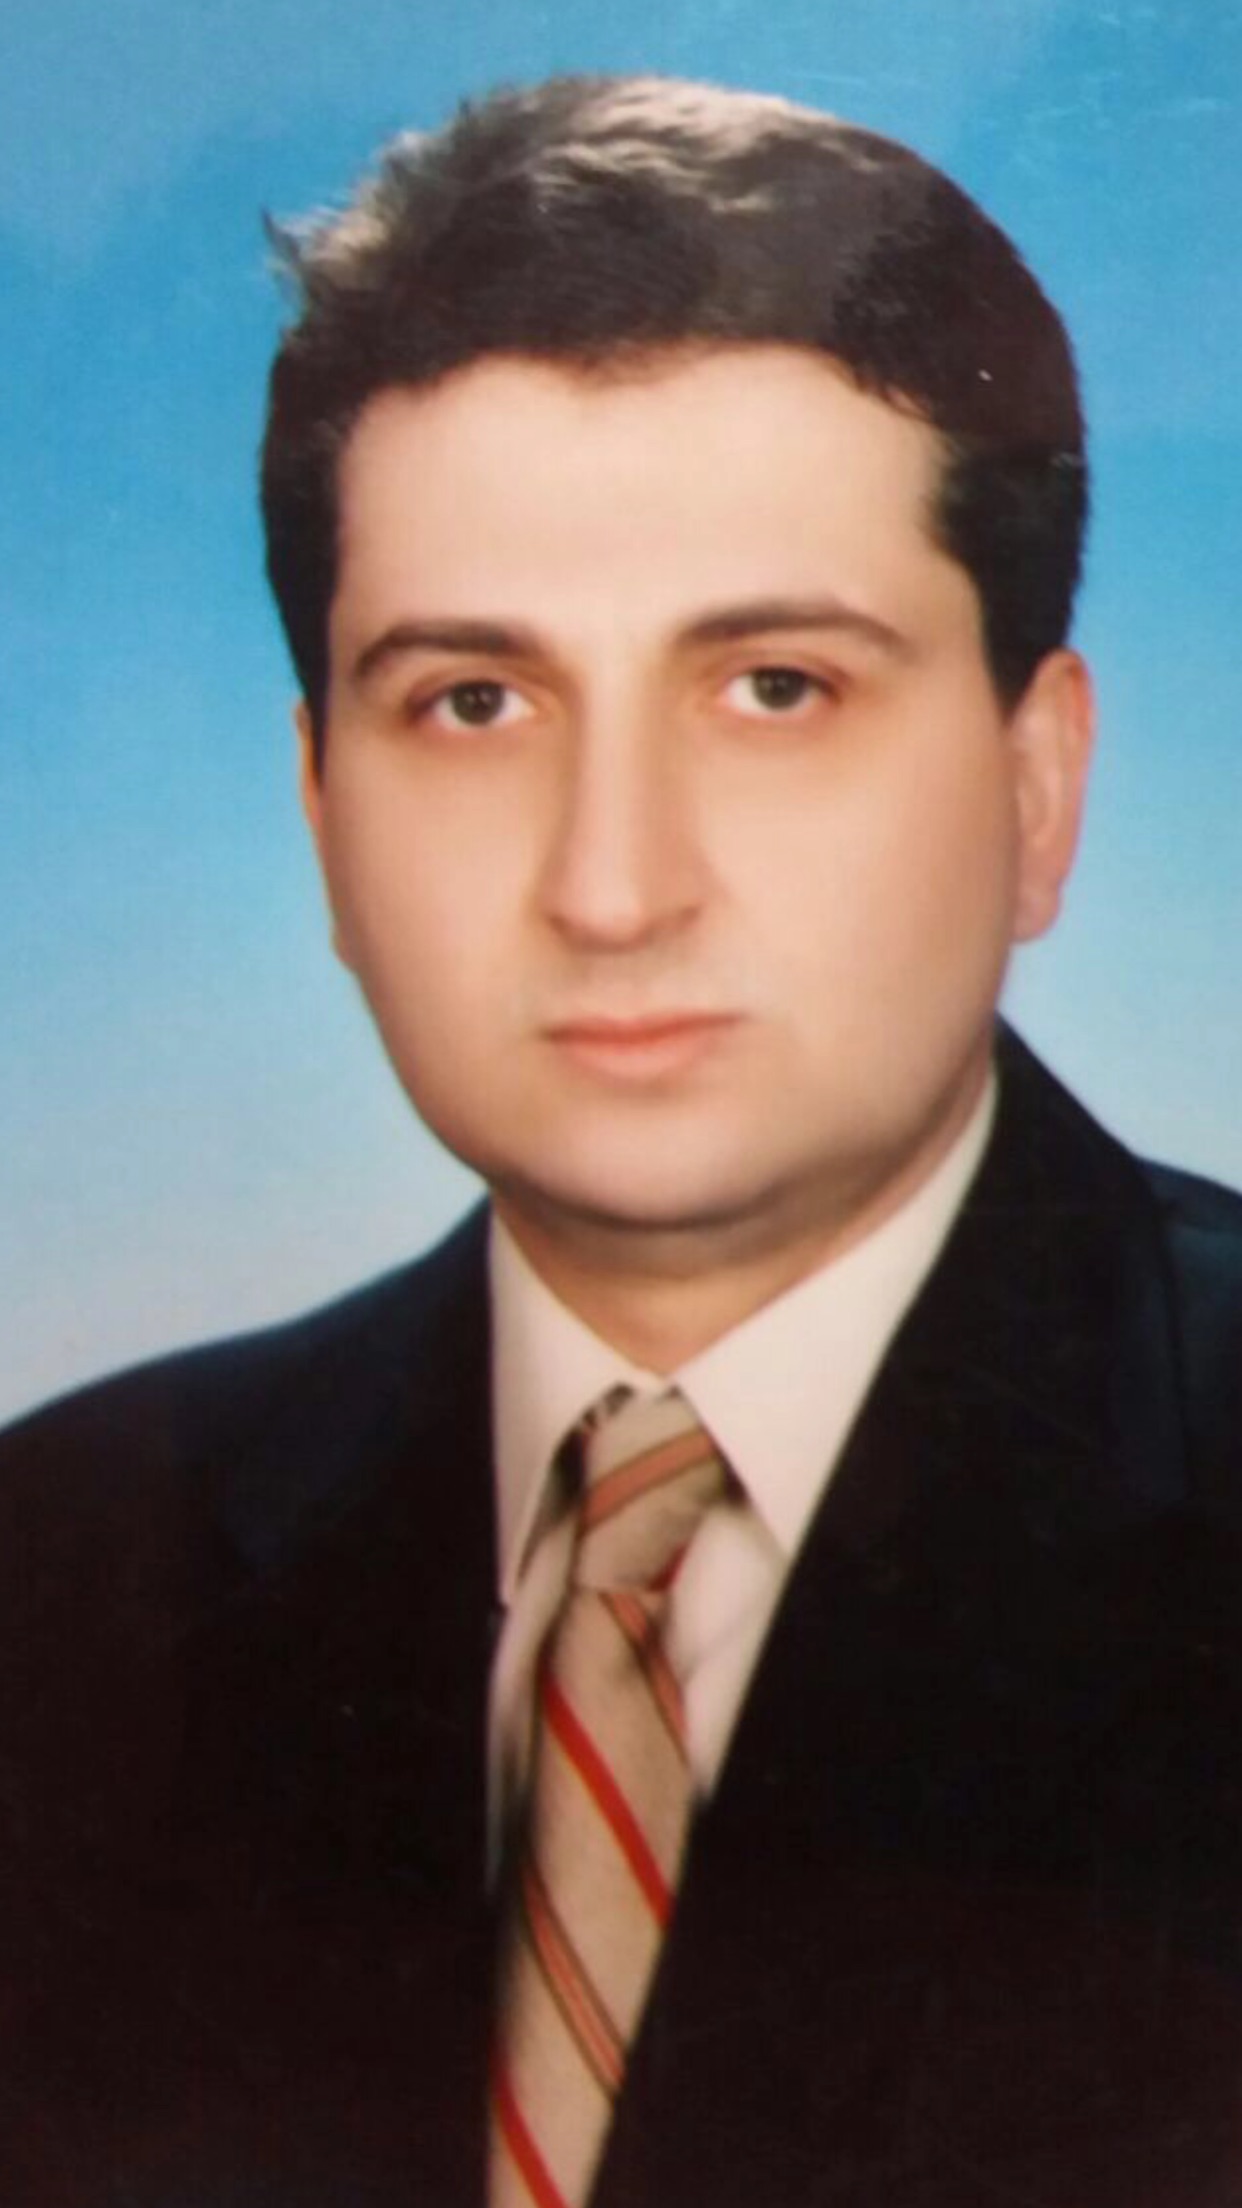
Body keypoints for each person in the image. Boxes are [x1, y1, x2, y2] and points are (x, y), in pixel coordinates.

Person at [1, 73, 1241, 2208]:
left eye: (774, 689)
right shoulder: (58, 1581)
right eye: (473, 703)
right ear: (320, 813)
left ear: (1037, 786)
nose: (610, 885)